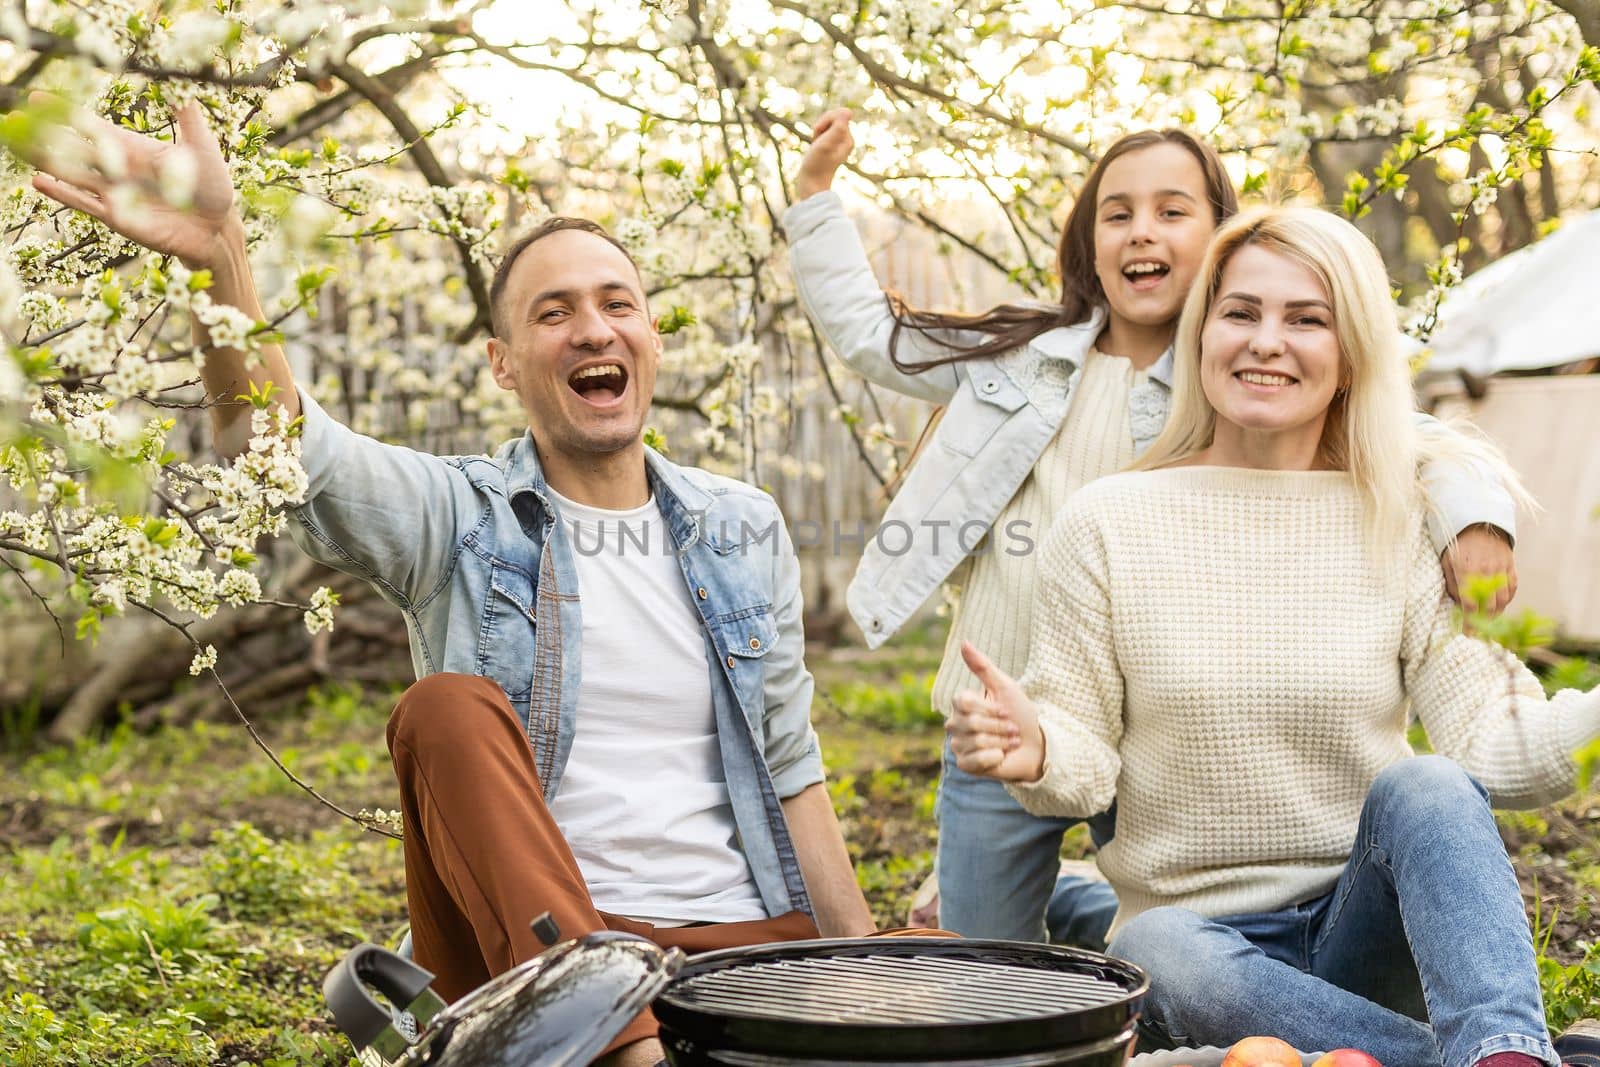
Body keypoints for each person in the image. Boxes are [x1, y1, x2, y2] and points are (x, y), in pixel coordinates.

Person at [27, 99, 877, 1067]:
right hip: (526, 974)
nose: (592, 329)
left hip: (733, 948)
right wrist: (216, 261)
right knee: (446, 710)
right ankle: (623, 1049)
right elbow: (276, 449)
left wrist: (861, 964)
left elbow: (788, 765)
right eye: (553, 313)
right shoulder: (459, 517)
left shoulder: (739, 526)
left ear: (651, 337)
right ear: (503, 366)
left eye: (617, 303)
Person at [786, 109, 1521, 945]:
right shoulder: (1021, 358)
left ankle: (1089, 905)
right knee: (987, 969)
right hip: (1003, 711)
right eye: (1118, 212)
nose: (1144, 232)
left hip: (1148, 726)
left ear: (1221, 235)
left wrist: (1479, 517)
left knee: (1163, 931)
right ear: (1090, 242)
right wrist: (816, 201)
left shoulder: (1239, 372)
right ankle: (1053, 902)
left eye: (1173, 211)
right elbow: (874, 339)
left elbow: (1412, 436)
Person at [946, 206, 1600, 1067]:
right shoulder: (1109, 521)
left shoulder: (1400, 521)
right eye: (1241, 312)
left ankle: (1494, 1050)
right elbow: (1085, 758)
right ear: (1202, 330)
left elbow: (1493, 743)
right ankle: (1501, 1057)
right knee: (1159, 943)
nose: (1266, 341)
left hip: (1362, 932)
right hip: (1200, 958)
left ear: (1350, 353)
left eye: (1306, 319)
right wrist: (1036, 747)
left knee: (1430, 784)